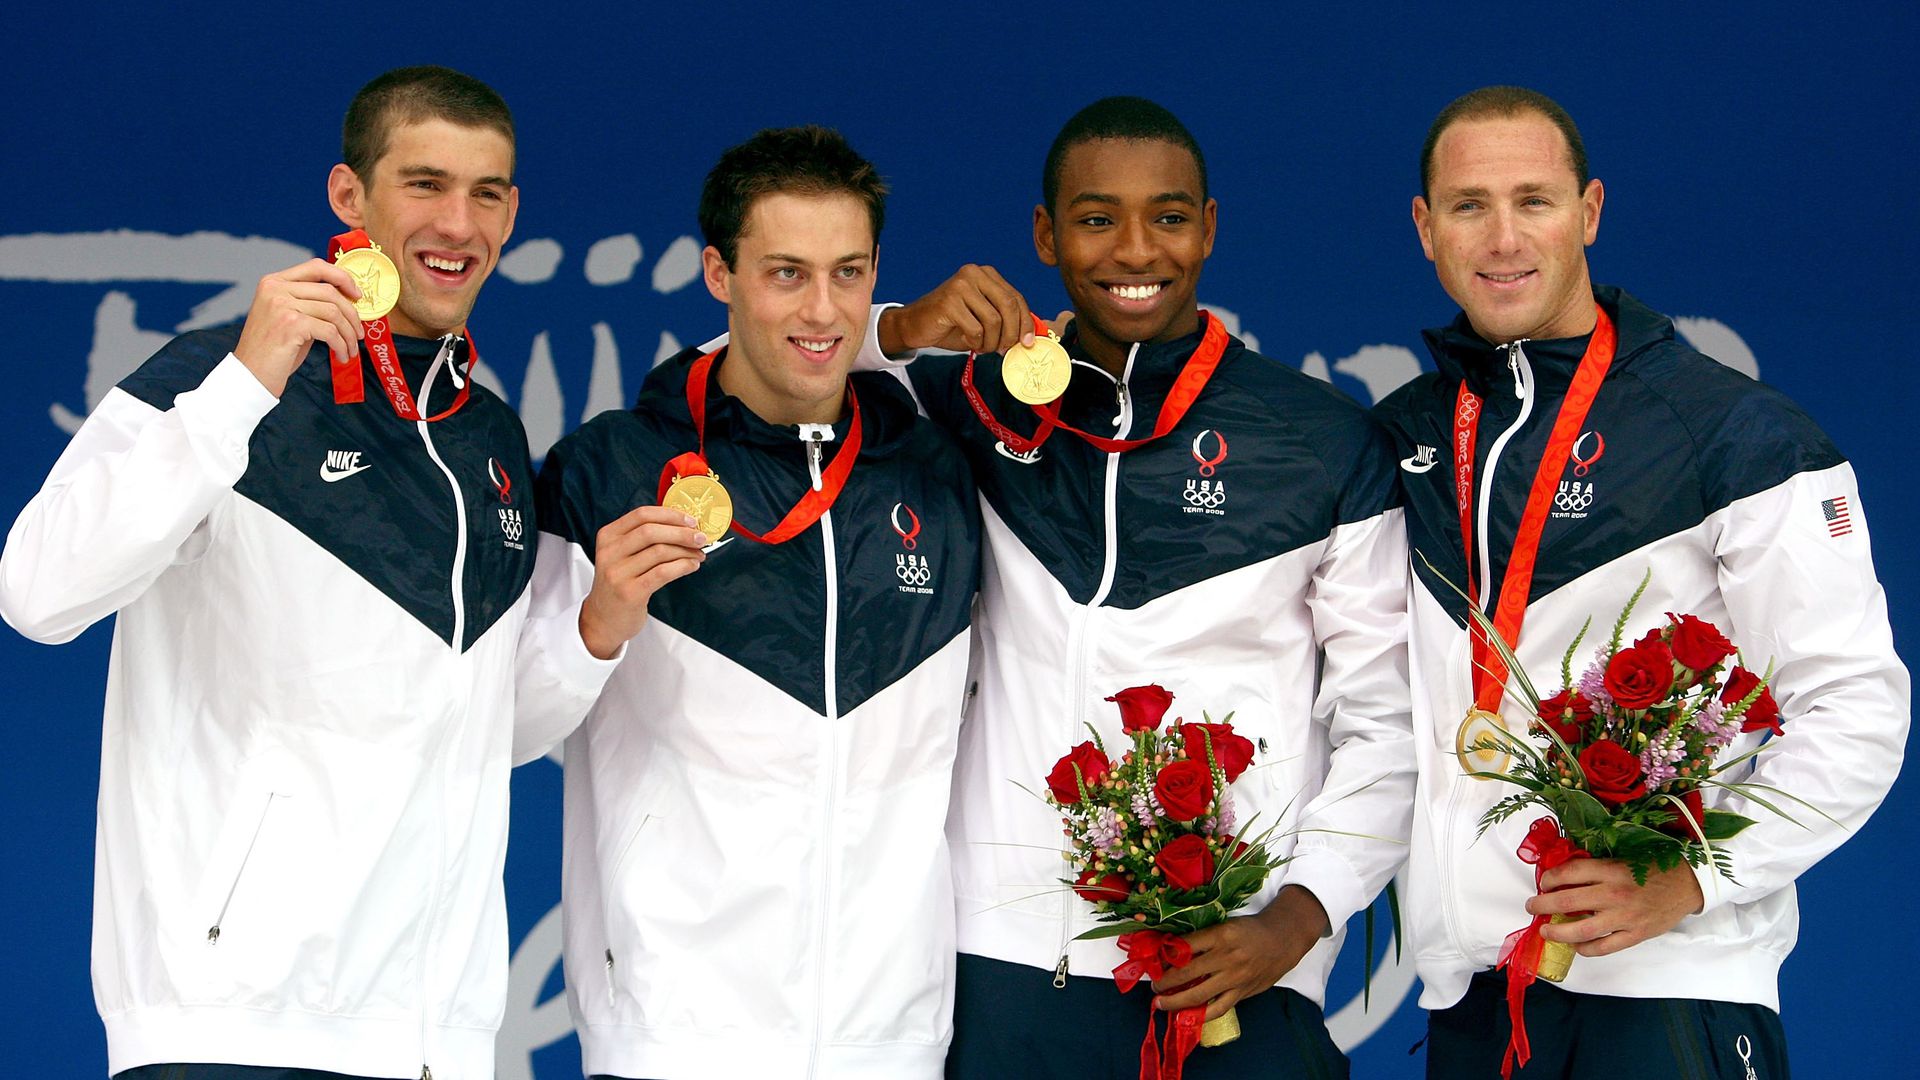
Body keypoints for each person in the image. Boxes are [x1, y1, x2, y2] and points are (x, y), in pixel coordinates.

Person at [0, 66, 625, 1080]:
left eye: (487, 193)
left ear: (513, 214)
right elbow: (37, 591)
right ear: (350, 197)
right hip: (232, 1027)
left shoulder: (494, 439)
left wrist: (601, 628)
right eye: (424, 184)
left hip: (437, 1042)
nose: (457, 222)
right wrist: (243, 386)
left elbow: (488, 734)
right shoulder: (219, 379)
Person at [870, 96, 1413, 1077]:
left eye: (1167, 218)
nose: (1134, 250)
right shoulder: (965, 396)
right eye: (1094, 218)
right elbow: (768, 369)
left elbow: (1389, 721)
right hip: (1004, 969)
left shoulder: (1324, 443)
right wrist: (899, 329)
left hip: (1232, 968)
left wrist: (1297, 919)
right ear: (1045, 235)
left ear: (1208, 229)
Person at [1373, 85, 1910, 1077]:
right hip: (1476, 997)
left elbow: (1857, 709)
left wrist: (1695, 880)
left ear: (1589, 213)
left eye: (1533, 200)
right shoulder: (1401, 434)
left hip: (1669, 997)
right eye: (1467, 205)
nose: (1502, 237)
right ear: (1424, 227)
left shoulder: (1736, 432)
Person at [517, 126, 980, 1079]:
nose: (822, 310)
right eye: (785, 274)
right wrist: (599, 624)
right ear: (717, 273)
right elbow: (508, 725)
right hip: (675, 1037)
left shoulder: (936, 472)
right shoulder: (610, 468)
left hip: (887, 1041)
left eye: (847, 274)